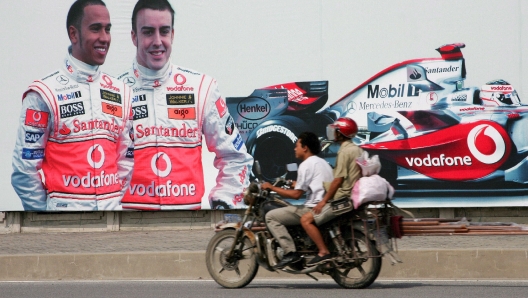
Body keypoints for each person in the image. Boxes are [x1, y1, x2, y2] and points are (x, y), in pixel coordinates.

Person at [118, 0, 253, 210]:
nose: (157, 41)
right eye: (147, 32)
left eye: (164, 31)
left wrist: (224, 202)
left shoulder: (201, 88)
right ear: (134, 36)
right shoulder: (112, 94)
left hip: (186, 223)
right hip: (127, 224)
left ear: (173, 34)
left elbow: (236, 158)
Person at [11, 0, 134, 211]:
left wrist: (110, 201)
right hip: (63, 225)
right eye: (95, 29)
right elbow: (24, 172)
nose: (104, 37)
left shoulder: (121, 92)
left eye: (107, 29)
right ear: (74, 34)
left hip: (111, 221)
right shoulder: (44, 94)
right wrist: (51, 217)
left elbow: (126, 160)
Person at [262, 132, 333, 269]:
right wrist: (292, 183)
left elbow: (296, 195)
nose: (295, 149)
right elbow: (312, 184)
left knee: (271, 216)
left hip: (314, 207)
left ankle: (290, 252)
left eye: (297, 146)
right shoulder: (322, 162)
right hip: (325, 204)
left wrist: (271, 187)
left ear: (305, 147)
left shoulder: (306, 165)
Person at [300, 117, 363, 266]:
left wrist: (323, 201)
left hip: (342, 197)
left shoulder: (344, 152)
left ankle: (323, 252)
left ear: (341, 133)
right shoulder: (357, 149)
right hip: (353, 195)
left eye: (336, 131)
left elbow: (338, 180)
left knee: (306, 219)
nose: (333, 133)